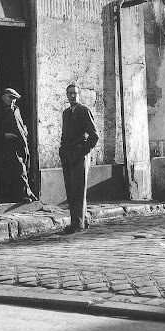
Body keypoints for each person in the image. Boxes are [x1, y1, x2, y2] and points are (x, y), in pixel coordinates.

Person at [59, 82, 98, 234]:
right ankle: (83, 219)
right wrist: (62, 150)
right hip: (68, 155)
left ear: (79, 95)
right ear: (67, 96)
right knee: (71, 189)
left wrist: (83, 150)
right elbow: (65, 135)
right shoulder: (66, 113)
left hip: (79, 155)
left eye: (75, 93)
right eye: (70, 93)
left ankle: (77, 224)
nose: (72, 96)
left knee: (78, 189)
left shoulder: (84, 111)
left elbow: (94, 136)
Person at [0, 88, 37, 204]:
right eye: (10, 98)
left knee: (25, 168)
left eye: (14, 99)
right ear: (3, 97)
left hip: (21, 144)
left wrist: (25, 130)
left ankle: (23, 194)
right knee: (20, 169)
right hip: (8, 145)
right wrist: (4, 135)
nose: (12, 101)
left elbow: (21, 123)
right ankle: (26, 194)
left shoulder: (16, 110)